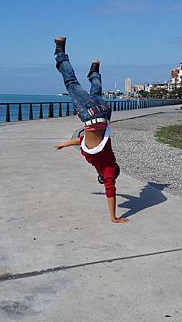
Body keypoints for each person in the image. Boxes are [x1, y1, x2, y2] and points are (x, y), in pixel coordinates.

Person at [53, 37, 128, 224]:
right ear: (109, 174)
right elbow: (110, 192)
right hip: (90, 115)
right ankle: (60, 50)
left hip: (104, 113)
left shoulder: (107, 155)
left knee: (96, 93)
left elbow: (82, 142)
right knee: (70, 82)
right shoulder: (108, 170)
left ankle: (95, 71)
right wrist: (114, 217)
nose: (103, 178)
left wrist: (64, 143)